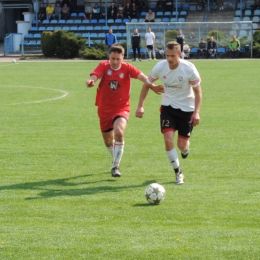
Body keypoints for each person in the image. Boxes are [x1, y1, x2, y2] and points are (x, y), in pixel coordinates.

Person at [86, 44, 164, 177]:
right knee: (108, 141)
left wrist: (153, 86)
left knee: (119, 131)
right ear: (109, 57)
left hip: (121, 107)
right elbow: (95, 75)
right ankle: (115, 158)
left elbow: (142, 77)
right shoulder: (103, 66)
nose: (115, 62)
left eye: (118, 59)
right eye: (113, 58)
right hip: (104, 109)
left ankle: (115, 166)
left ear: (123, 57)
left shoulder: (127, 68)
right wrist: (91, 81)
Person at [135, 41, 202, 185]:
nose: (169, 59)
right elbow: (147, 84)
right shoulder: (160, 67)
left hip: (186, 109)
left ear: (180, 54)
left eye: (172, 56)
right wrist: (140, 106)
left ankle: (185, 150)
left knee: (182, 145)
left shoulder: (189, 69)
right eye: (167, 55)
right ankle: (178, 172)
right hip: (168, 108)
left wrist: (196, 112)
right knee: (168, 140)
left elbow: (198, 91)